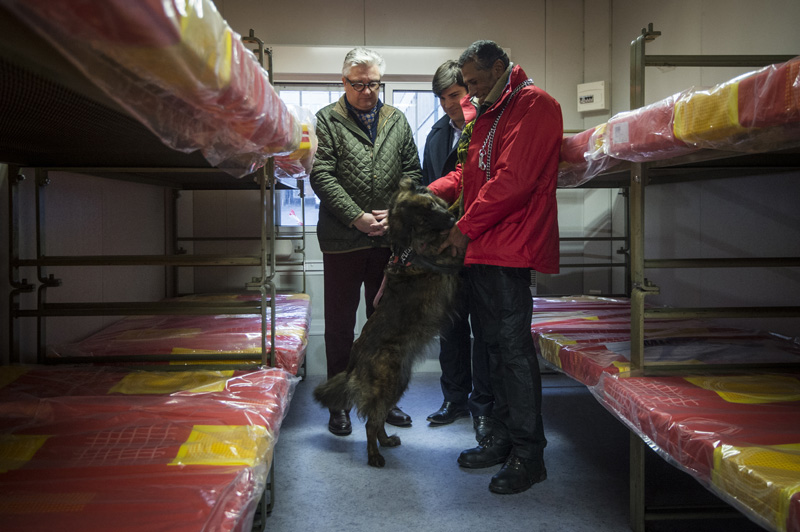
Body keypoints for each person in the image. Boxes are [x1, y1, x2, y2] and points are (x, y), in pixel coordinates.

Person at [428, 40, 562, 495]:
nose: (469, 91)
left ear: (501, 67)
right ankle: (504, 439)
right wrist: (429, 194)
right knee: (492, 350)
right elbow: (469, 176)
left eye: (475, 81)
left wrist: (462, 228)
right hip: (485, 247)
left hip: (510, 246)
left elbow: (513, 182)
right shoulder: (492, 109)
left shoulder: (535, 106)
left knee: (512, 353)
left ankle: (530, 455)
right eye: (466, 84)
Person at [310, 47, 423, 437]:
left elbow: (413, 171)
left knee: (384, 324)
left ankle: (381, 399)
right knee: (340, 324)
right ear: (343, 82)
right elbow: (321, 175)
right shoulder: (326, 120)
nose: (366, 91)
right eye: (358, 84)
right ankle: (339, 403)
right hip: (343, 239)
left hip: (387, 240)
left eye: (373, 84)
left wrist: (396, 211)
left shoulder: (396, 120)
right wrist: (356, 216)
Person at [422, 60, 493, 442]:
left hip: (482, 242)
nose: (449, 104)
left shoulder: (487, 127)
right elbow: (428, 186)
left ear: (468, 90)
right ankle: (454, 399)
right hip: (446, 247)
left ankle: (483, 404)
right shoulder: (436, 135)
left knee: (482, 329)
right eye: (443, 98)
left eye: (455, 95)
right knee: (450, 327)